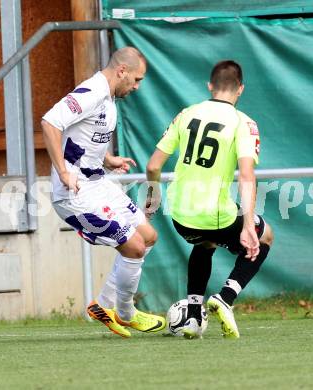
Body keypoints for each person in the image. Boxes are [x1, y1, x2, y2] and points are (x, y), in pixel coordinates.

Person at [41, 47, 165, 338]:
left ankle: (105, 305)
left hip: (98, 183)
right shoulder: (92, 91)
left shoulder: (108, 99)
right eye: (136, 79)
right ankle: (125, 313)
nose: (136, 86)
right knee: (133, 246)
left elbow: (84, 136)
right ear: (121, 70)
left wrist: (109, 160)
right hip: (75, 193)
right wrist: (63, 171)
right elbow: (50, 123)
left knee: (148, 237)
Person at [146, 60, 273, 339]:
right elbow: (246, 175)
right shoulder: (244, 123)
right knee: (265, 237)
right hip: (215, 214)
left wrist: (153, 198)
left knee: (205, 243)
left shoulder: (186, 114)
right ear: (240, 89)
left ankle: (192, 314)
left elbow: (153, 166)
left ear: (209, 87)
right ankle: (225, 297)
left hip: (179, 215)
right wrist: (249, 225)